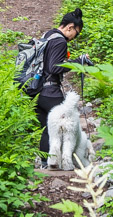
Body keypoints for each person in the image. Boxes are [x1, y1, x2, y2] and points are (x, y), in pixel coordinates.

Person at [33, 8, 91, 157]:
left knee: (47, 127)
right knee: (67, 125)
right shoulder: (60, 41)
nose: (74, 37)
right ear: (70, 27)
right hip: (50, 92)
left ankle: (46, 163)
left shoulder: (48, 35)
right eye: (76, 34)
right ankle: (68, 159)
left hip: (37, 90)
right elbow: (54, 67)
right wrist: (79, 62)